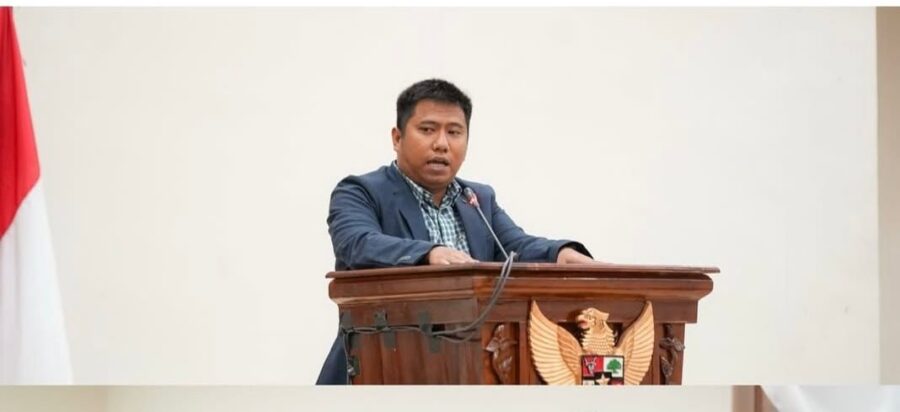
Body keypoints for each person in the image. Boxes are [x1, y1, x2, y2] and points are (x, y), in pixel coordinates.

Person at [316, 78, 595, 384]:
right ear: (397, 138)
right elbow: (358, 244)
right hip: (382, 369)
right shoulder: (360, 192)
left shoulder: (477, 199)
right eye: (427, 130)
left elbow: (515, 247)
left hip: (468, 373)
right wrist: (429, 254)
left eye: (454, 132)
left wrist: (560, 254)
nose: (441, 144)